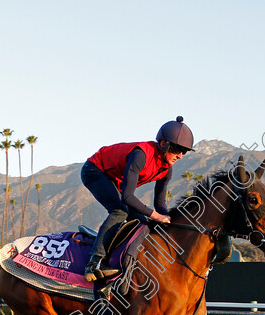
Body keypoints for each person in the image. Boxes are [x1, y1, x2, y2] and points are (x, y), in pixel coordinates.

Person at [81, 116, 194, 282]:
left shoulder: (166, 169)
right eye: (177, 150)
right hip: (94, 170)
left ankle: (123, 263)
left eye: (183, 152)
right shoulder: (140, 155)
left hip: (114, 180)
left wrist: (168, 219)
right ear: (163, 144)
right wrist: (156, 216)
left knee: (141, 220)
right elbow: (127, 197)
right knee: (119, 211)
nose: (180, 156)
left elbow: (160, 203)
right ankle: (94, 262)